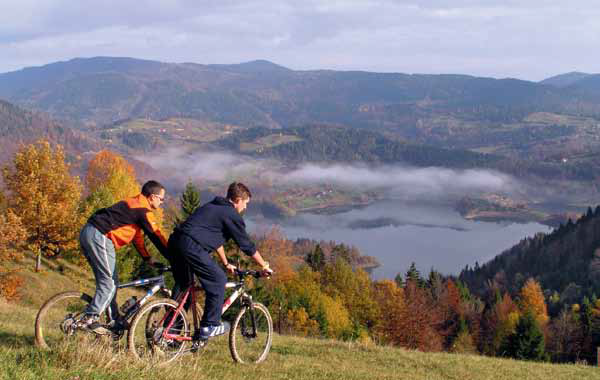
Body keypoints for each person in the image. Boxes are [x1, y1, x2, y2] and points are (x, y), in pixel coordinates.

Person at [168, 182, 271, 339]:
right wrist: (264, 264)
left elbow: (215, 239)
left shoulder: (213, 206)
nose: (245, 208)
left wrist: (225, 262)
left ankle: (168, 333)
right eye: (245, 203)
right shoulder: (231, 214)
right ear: (237, 200)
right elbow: (246, 245)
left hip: (176, 242)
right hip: (192, 246)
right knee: (218, 279)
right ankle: (210, 325)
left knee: (184, 286)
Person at [79, 180, 169, 334]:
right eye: (161, 199)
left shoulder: (134, 204)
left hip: (90, 233)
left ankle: (114, 320)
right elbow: (157, 235)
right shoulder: (143, 209)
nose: (162, 202)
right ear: (152, 197)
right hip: (100, 236)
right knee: (109, 284)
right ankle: (89, 318)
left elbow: (137, 238)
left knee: (111, 282)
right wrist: (173, 254)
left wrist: (147, 259)